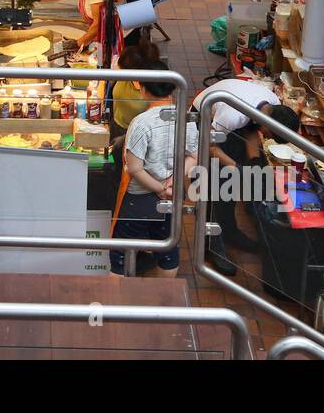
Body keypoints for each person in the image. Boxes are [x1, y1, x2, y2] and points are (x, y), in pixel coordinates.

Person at [192, 78, 300, 274]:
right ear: (269, 127)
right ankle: (211, 244)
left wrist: (253, 164)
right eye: (270, 136)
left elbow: (251, 130)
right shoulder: (233, 116)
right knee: (216, 186)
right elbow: (210, 147)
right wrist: (237, 168)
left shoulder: (271, 104)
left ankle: (230, 231)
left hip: (229, 125)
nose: (267, 138)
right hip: (203, 118)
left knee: (233, 184)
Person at [109, 64, 197, 277]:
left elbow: (134, 168)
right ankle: (163, 305)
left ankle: (113, 305)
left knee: (120, 255)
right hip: (172, 196)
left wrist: (159, 188)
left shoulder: (141, 123)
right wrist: (172, 184)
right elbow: (192, 156)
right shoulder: (186, 117)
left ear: (142, 87)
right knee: (167, 250)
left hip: (139, 198)